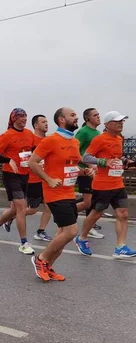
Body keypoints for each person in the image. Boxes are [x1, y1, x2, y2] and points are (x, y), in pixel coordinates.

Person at [28, 107, 87, 281]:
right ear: (61, 119)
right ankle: (41, 259)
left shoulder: (74, 142)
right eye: (72, 115)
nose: (76, 117)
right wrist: (48, 179)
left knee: (62, 235)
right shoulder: (51, 140)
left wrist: (85, 172)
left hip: (69, 192)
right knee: (71, 231)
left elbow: (70, 167)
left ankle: (48, 267)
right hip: (55, 193)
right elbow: (32, 162)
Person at [75, 111, 136, 259]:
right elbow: (86, 156)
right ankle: (81, 237)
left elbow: (115, 156)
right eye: (117, 121)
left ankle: (120, 247)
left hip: (117, 183)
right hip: (102, 184)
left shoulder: (119, 139)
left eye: (122, 121)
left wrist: (125, 161)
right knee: (96, 213)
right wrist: (103, 162)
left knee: (123, 214)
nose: (121, 123)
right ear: (107, 125)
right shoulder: (99, 139)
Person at [0, 108, 35, 255]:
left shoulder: (29, 134)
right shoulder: (7, 135)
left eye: (25, 117)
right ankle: (24, 243)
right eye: (21, 117)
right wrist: (9, 160)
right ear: (14, 119)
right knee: (21, 207)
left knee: (15, 209)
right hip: (11, 174)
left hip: (25, 174)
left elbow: (33, 150)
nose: (24, 119)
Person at [75, 108, 104, 239]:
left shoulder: (98, 133)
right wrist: (88, 165)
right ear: (87, 118)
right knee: (88, 203)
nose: (98, 117)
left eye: (98, 114)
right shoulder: (83, 132)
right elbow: (75, 151)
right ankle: (66, 214)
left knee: (94, 201)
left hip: (97, 171)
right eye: (95, 115)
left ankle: (90, 227)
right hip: (85, 171)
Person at [25, 115, 54, 241]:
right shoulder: (30, 139)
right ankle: (11, 216)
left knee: (49, 206)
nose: (46, 124)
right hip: (32, 179)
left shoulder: (49, 140)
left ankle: (41, 231)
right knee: (33, 209)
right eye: (43, 122)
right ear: (36, 125)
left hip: (46, 179)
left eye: (47, 121)